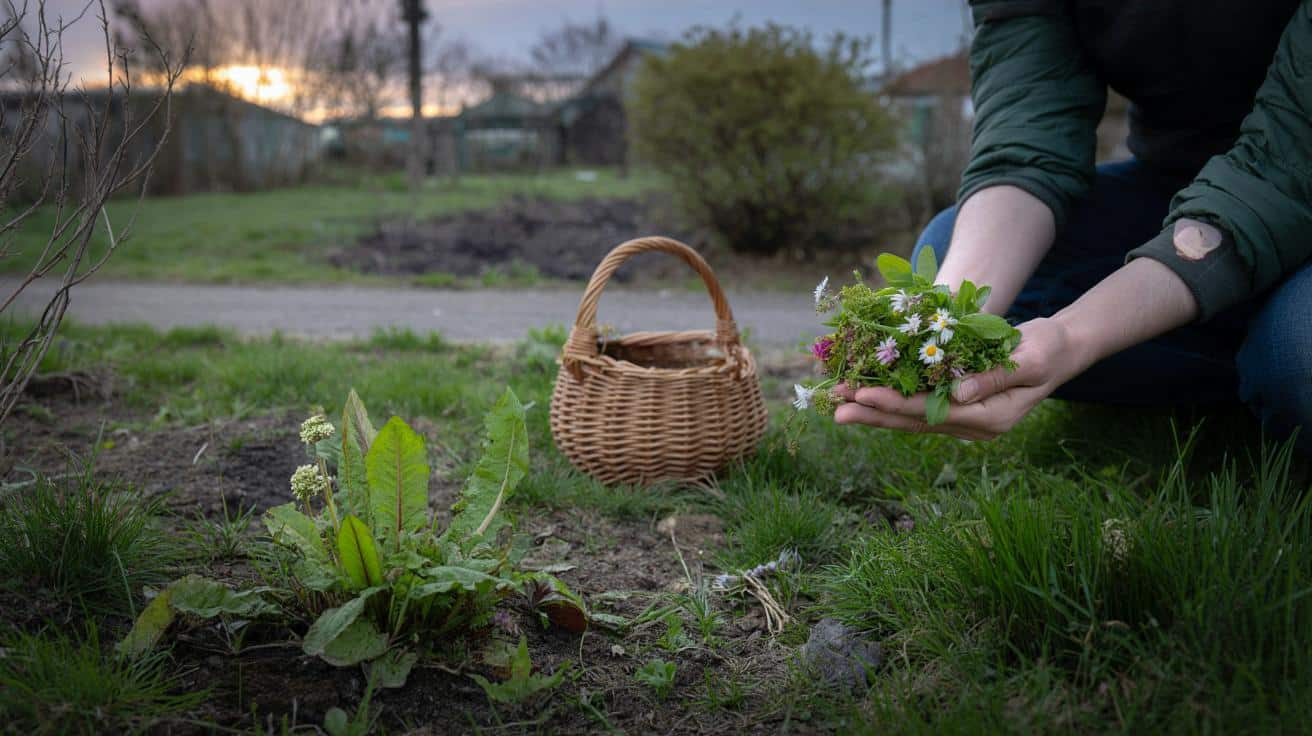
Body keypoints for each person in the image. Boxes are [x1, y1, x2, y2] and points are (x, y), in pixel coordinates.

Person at [834, 0, 1312, 450]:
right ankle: (1252, 356)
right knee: (957, 259)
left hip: (1294, 177)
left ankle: (1269, 359)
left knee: (1299, 356)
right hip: (1175, 178)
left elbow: (1284, 169)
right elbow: (1028, 133)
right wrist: (943, 320)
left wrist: (1072, 338)